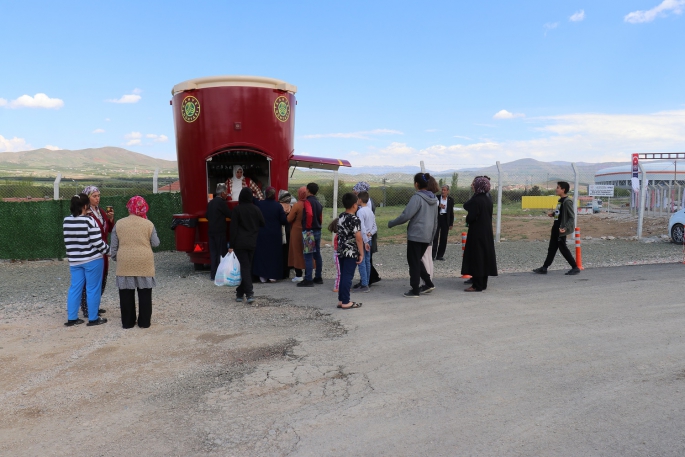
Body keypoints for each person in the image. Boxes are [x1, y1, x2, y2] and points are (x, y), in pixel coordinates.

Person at [110, 196, 160, 328]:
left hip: (125, 262)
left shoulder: (119, 223)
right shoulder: (148, 224)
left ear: (129, 208)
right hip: (145, 262)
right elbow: (156, 243)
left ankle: (127, 322)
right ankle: (144, 322)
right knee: (145, 295)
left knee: (126, 294)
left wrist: (116, 258)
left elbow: (113, 247)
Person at [388, 173, 438, 298]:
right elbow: (435, 221)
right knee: (417, 261)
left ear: (416, 184)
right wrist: (431, 238)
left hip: (416, 235)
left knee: (413, 262)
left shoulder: (417, 198)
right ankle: (428, 283)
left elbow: (406, 215)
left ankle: (415, 289)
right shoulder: (434, 200)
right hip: (427, 236)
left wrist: (391, 223)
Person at [63, 194, 110, 326]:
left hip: (75, 261)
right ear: (85, 206)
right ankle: (93, 318)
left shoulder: (66, 221)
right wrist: (110, 251)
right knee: (93, 289)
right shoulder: (89, 221)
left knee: (75, 288)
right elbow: (98, 243)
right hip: (92, 260)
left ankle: (72, 318)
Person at [80, 186, 114, 320]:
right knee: (90, 281)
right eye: (94, 196)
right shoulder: (85, 213)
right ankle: (87, 308)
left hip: (103, 250)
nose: (97, 198)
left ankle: (94, 305)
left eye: (98, 195)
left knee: (101, 278)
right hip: (91, 250)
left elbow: (108, 229)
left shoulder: (100, 211)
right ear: (87, 198)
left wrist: (111, 219)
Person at [533, 181, 581, 276]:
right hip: (555, 227)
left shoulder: (567, 201)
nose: (556, 189)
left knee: (563, 248)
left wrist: (565, 228)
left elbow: (571, 217)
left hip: (561, 229)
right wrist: (554, 214)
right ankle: (544, 268)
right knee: (552, 248)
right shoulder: (560, 201)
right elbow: (560, 213)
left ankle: (575, 267)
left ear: (563, 190)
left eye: (558, 187)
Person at [461, 177, 498, 292]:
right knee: (484, 256)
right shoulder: (488, 199)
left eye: (474, 184)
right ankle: (483, 283)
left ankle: (476, 285)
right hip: (486, 231)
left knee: (477, 257)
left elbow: (470, 214)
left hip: (477, 232)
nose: (472, 186)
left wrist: (468, 218)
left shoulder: (477, 200)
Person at [229, 187, 265, 303]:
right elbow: (262, 223)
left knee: (244, 267)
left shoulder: (237, 210)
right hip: (252, 242)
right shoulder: (256, 209)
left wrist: (231, 245)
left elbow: (233, 229)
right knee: (247, 267)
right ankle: (240, 293)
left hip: (240, 243)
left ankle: (249, 293)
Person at [253, 187, 287, 282]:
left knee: (262, 254)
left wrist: (254, 195)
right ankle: (273, 276)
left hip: (262, 233)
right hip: (275, 234)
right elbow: (283, 220)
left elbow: (253, 200)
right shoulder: (278, 206)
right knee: (274, 255)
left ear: (265, 194)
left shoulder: (260, 204)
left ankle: (262, 276)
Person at [337, 193, 364, 309]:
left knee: (343, 275)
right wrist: (361, 253)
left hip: (341, 249)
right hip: (351, 250)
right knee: (348, 276)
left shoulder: (341, 216)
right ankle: (346, 302)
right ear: (354, 205)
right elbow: (358, 237)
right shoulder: (355, 219)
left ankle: (341, 299)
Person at [353, 181, 381, 285]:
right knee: (367, 259)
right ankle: (370, 278)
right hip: (369, 234)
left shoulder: (362, 210)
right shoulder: (368, 204)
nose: (354, 191)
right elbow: (374, 225)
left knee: (364, 259)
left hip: (365, 236)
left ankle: (366, 281)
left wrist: (364, 238)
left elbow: (362, 225)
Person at [298, 182, 323, 287]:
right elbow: (320, 217)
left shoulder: (308, 202)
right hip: (317, 229)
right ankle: (318, 277)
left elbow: (309, 213)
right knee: (317, 254)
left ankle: (308, 279)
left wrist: (308, 227)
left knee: (308, 255)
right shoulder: (318, 202)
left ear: (307, 190)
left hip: (309, 231)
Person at [206, 183, 232, 281]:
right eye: (226, 193)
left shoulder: (210, 203)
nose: (227, 195)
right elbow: (229, 214)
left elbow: (206, 215)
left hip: (211, 232)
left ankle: (213, 275)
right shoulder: (222, 203)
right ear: (222, 193)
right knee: (221, 253)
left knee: (213, 253)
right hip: (220, 232)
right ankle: (221, 274)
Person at [287, 187, 307, 282]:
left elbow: (289, 219)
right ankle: (308, 274)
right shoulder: (310, 204)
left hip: (296, 231)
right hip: (308, 231)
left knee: (297, 251)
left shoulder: (297, 205)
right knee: (308, 251)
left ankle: (299, 275)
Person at [433, 184, 454, 261]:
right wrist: (438, 206)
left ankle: (440, 255)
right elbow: (432, 205)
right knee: (435, 236)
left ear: (448, 191)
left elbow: (451, 212)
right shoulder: (437, 198)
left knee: (444, 237)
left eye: (444, 190)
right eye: (442, 190)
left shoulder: (450, 200)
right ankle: (432, 255)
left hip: (445, 219)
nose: (443, 191)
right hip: (438, 218)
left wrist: (451, 223)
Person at [279, 190, 293, 279]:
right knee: (287, 252)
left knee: (280, 252)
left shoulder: (279, 207)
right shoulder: (291, 207)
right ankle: (286, 272)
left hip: (279, 232)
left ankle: (280, 271)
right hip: (289, 232)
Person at [327, 218, 340, 293]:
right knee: (339, 272)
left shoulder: (337, 235)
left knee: (341, 272)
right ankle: (336, 286)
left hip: (337, 254)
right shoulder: (338, 236)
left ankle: (339, 285)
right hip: (337, 254)